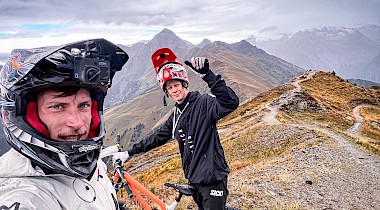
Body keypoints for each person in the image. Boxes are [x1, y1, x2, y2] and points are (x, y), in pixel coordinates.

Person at [0, 38, 128, 210]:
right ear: (25, 116)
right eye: (58, 106)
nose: (77, 123)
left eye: (84, 105)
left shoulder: (93, 164)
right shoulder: (24, 197)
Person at [113, 50, 240, 210]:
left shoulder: (204, 103)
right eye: (170, 87)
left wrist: (207, 75)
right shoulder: (176, 115)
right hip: (194, 179)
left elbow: (230, 102)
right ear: (167, 92)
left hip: (213, 178)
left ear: (184, 84)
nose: (174, 90)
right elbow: (157, 137)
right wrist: (129, 153)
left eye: (176, 85)